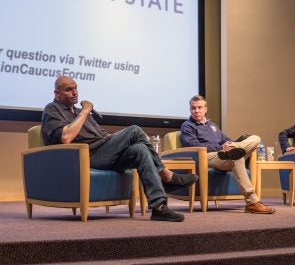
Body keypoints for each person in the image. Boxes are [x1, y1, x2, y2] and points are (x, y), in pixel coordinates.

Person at [41, 76, 199, 222]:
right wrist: (85, 111)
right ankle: (166, 176)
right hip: (89, 156)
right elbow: (65, 137)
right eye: (69, 89)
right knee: (135, 129)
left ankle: (159, 208)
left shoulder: (79, 112)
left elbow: (102, 135)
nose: (75, 92)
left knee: (140, 150)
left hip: (105, 151)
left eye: (76, 88)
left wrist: (117, 140)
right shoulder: (52, 109)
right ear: (57, 93)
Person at [180, 95, 275, 214]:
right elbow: (192, 145)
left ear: (205, 109)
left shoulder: (212, 125)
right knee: (235, 155)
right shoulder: (187, 126)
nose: (197, 111)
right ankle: (252, 202)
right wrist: (220, 147)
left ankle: (235, 149)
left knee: (255, 138)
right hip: (205, 156)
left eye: (200, 107)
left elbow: (224, 139)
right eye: (194, 108)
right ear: (190, 109)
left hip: (223, 154)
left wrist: (231, 144)